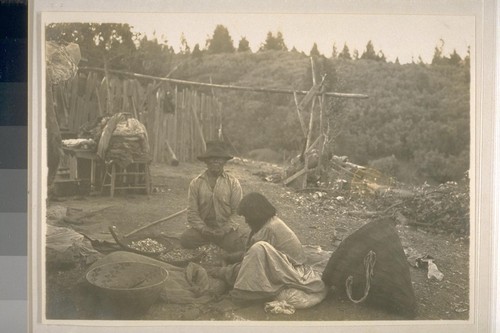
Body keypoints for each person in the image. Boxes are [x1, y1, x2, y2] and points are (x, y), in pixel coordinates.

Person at [211, 192, 325, 303]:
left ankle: (251, 295)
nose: (246, 221)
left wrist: (221, 272)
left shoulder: (267, 230)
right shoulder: (271, 221)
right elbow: (248, 255)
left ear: (255, 215)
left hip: (292, 270)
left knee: (256, 253)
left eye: (247, 217)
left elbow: (249, 265)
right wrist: (230, 257)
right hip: (287, 264)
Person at [180, 141, 246, 253]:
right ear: (206, 161)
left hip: (225, 229)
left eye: (219, 158)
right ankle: (212, 241)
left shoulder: (233, 183)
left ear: (224, 161)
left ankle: (218, 242)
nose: (215, 161)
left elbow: (238, 213)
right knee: (186, 239)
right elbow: (192, 212)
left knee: (236, 245)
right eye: (211, 158)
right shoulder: (196, 183)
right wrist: (203, 228)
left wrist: (224, 230)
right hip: (203, 230)